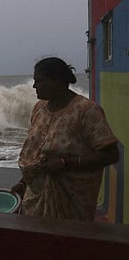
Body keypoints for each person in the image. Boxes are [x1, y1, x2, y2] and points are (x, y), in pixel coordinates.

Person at [11, 57, 119, 221]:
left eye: (39, 81)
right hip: (35, 199)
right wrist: (23, 183)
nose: (34, 86)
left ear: (56, 81)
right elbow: (36, 155)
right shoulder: (39, 109)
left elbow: (111, 154)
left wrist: (65, 163)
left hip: (72, 202)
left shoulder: (86, 111)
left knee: (67, 244)